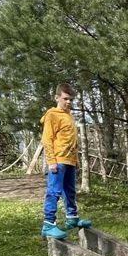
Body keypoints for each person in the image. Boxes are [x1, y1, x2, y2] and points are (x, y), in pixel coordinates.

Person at [40, 83, 91, 239]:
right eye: (65, 99)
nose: (68, 102)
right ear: (57, 98)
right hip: (58, 160)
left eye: (71, 99)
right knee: (53, 192)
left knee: (70, 191)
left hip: (69, 160)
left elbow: (72, 139)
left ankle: (72, 218)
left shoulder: (69, 115)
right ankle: (48, 224)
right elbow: (47, 139)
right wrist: (51, 161)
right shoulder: (52, 114)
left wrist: (75, 159)